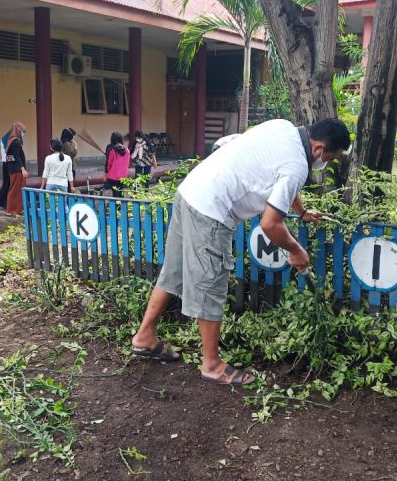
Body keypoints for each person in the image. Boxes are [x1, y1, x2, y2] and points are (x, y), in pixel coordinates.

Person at [131, 118, 350, 386]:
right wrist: (296, 250)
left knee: (173, 271)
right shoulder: (296, 167)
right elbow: (270, 223)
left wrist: (301, 212)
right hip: (211, 208)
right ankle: (211, 364)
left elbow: (281, 182)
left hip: (190, 191)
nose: (328, 162)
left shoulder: (283, 128)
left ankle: (144, 337)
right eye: (332, 155)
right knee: (211, 284)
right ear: (318, 149)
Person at [4, 122, 28, 216]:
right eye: (23, 131)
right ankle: (15, 210)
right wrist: (22, 169)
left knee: (13, 189)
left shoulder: (10, 140)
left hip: (12, 168)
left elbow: (10, 157)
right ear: (18, 130)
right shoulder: (15, 142)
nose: (23, 133)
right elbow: (17, 157)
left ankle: (11, 210)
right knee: (17, 190)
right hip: (17, 170)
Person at [104, 131, 131, 198]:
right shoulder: (127, 150)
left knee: (115, 192)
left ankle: (117, 208)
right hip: (123, 175)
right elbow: (127, 163)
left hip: (113, 175)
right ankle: (121, 207)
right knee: (121, 191)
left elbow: (109, 164)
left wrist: (106, 172)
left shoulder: (112, 150)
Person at [0, 128, 12, 208]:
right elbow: (8, 154)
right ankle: (3, 200)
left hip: (7, 163)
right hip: (8, 164)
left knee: (7, 182)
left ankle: (2, 199)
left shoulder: (6, 138)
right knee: (8, 183)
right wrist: (17, 161)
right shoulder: (8, 139)